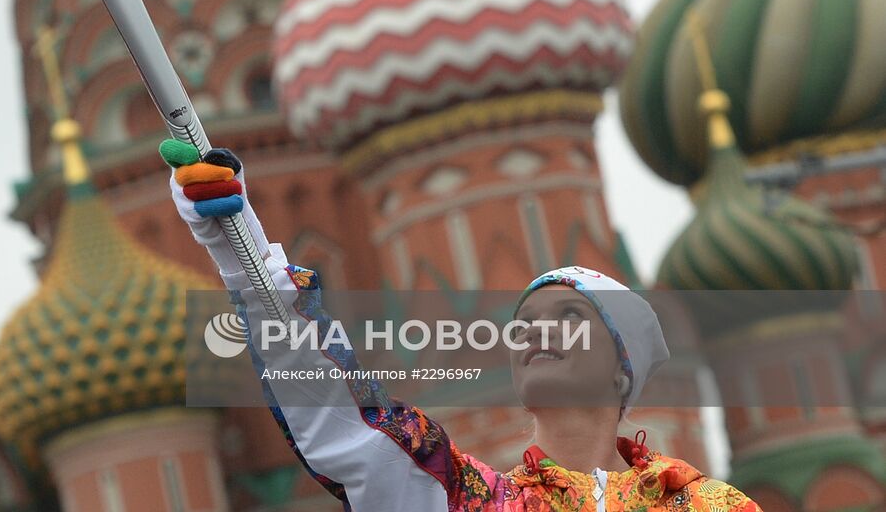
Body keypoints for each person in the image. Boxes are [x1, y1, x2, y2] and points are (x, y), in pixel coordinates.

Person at [161, 140, 762, 512]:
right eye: (523, 326)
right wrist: (242, 253)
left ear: (620, 364)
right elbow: (350, 418)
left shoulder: (709, 507)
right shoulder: (463, 500)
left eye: (570, 318)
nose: (534, 335)